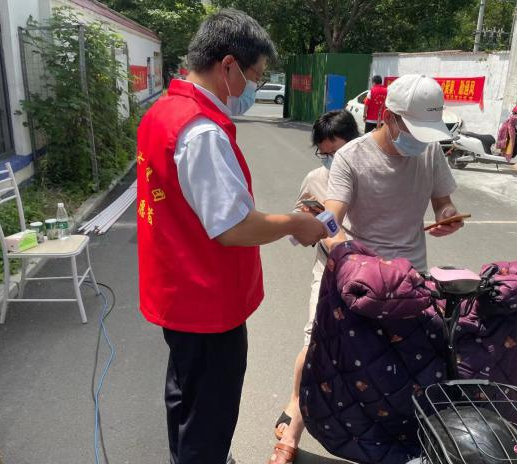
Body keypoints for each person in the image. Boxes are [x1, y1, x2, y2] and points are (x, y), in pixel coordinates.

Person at [136, 10, 326, 464]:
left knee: (185, 394)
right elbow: (234, 227)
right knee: (209, 412)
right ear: (228, 66)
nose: (254, 87)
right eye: (255, 76)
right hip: (206, 302)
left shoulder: (163, 112)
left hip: (177, 291)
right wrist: (295, 223)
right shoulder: (201, 131)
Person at [270, 110, 360, 464]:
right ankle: (296, 405)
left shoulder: (373, 172)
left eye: (337, 151)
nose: (331, 160)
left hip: (371, 274)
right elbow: (303, 223)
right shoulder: (316, 179)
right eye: (324, 153)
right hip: (330, 269)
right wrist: (319, 231)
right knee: (314, 338)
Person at [325, 73, 464, 271]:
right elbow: (330, 219)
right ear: (388, 117)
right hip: (362, 271)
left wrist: (447, 214)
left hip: (413, 272)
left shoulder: (431, 150)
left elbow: (443, 203)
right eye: (415, 132)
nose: (421, 141)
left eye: (427, 134)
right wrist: (342, 251)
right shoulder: (350, 157)